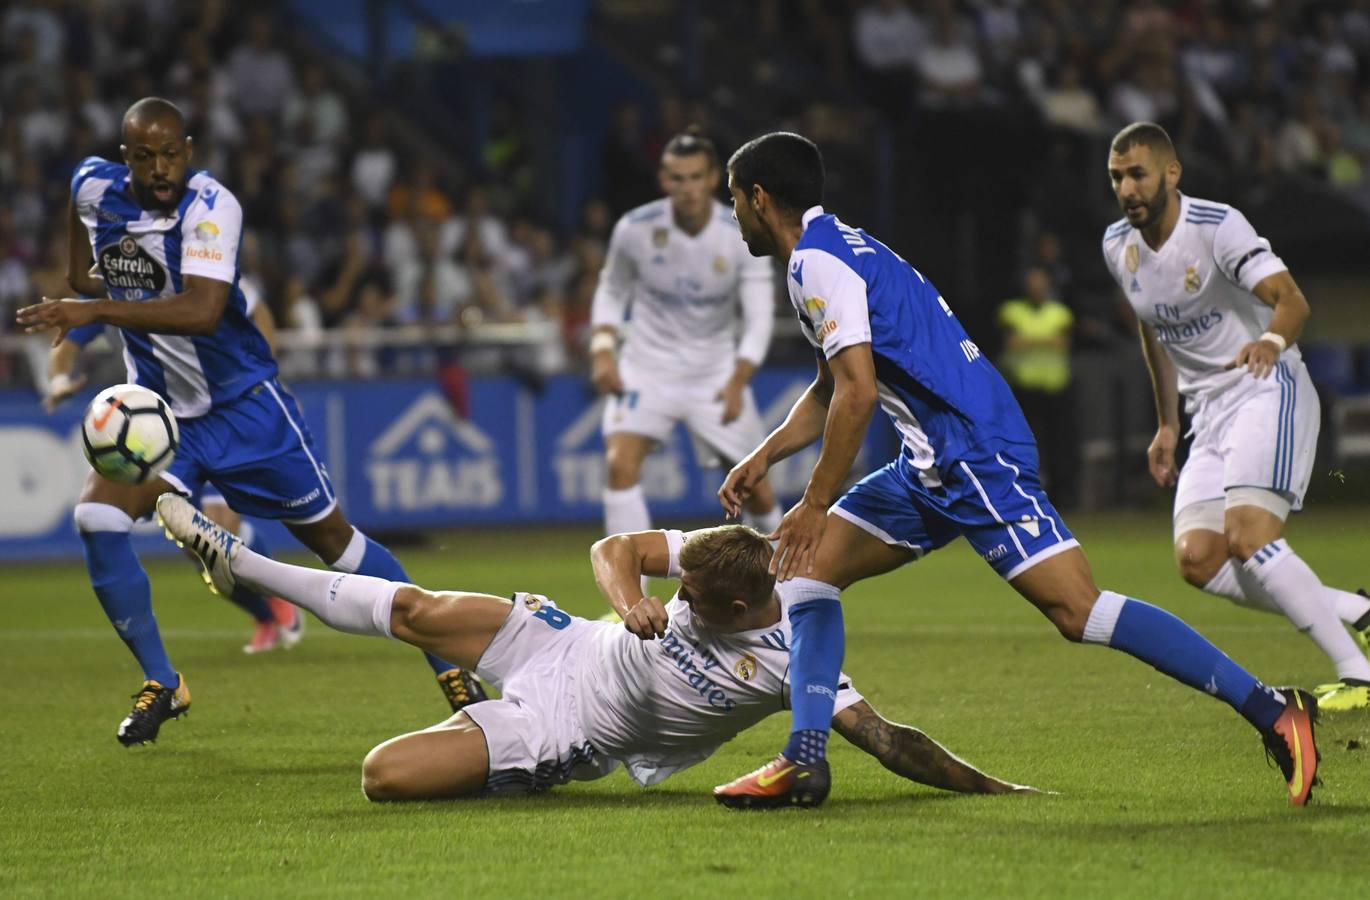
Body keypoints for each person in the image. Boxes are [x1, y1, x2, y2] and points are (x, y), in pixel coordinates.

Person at [712, 131, 1319, 810]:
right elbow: (833, 385)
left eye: (733, 201)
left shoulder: (818, 266)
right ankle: (804, 757)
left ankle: (1274, 711)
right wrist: (763, 456)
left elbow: (856, 394)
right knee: (803, 573)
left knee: (1077, 610)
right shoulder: (834, 250)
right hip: (930, 460)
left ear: (760, 198)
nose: (733, 217)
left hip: (973, 452)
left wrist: (816, 499)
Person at [15, 98, 482, 746]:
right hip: (162, 415)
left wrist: (95, 309)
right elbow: (79, 262)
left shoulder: (211, 206)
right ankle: (164, 682)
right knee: (96, 519)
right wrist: (85, 293)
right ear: (126, 157)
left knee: (338, 547)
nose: (160, 169)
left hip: (246, 408)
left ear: (190, 150)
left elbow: (204, 311)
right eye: (145, 157)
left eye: (171, 154)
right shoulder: (91, 186)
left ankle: (450, 664)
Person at [156, 492, 1040, 801]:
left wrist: (997, 787)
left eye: (691, 597)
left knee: (381, 776)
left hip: (567, 724)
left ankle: (501, 756)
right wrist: (630, 599)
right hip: (562, 641)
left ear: (739, 607)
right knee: (420, 609)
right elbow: (614, 552)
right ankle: (241, 561)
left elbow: (890, 742)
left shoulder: (794, 658)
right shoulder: (721, 554)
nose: (678, 596)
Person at [1101, 122, 1370, 711]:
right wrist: (1167, 424)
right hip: (1207, 412)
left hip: (1266, 387)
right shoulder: (1117, 246)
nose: (1127, 188)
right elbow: (1154, 333)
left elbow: (1292, 299)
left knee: (1249, 536)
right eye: (1117, 177)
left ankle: (1358, 672)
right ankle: (1358, 611)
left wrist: (1270, 343)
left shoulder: (1216, 226)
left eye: (1137, 174)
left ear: (1171, 173)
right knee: (1198, 559)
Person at [44, 284, 305, 655]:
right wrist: (58, 381)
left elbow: (257, 308)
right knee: (195, 545)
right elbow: (67, 345)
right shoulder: (107, 292)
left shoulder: (186, 273)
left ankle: (279, 599)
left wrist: (259, 374)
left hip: (223, 412)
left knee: (217, 523)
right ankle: (265, 613)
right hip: (162, 426)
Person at [590, 127, 782, 555]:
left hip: (715, 374)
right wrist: (603, 349)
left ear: (713, 178)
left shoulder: (737, 233)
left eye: (696, 177)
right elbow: (612, 290)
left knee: (759, 490)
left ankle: (787, 587)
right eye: (677, 178)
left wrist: (738, 379)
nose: (688, 188)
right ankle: (633, 603)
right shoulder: (635, 229)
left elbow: (759, 316)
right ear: (664, 181)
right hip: (646, 367)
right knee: (619, 465)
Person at [996, 266, 1075, 506]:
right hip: (1024, 390)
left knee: (1057, 446)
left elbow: (1063, 342)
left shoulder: (1060, 313)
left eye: (1040, 283)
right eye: (1032, 283)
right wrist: (1045, 340)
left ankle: (1063, 499)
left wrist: (1028, 340)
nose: (1036, 288)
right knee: (1024, 445)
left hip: (1055, 389)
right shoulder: (1012, 311)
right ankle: (1024, 494)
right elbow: (1012, 342)